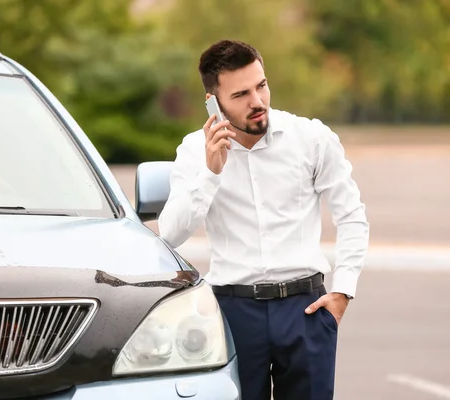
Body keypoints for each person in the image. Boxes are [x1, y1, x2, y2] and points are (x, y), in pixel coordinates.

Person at [158, 39, 370, 400]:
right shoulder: (194, 151)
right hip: (232, 312)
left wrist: (343, 291)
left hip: (305, 309)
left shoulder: (312, 138)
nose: (257, 101)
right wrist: (210, 173)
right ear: (214, 103)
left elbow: (351, 214)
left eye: (261, 86)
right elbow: (171, 234)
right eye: (241, 94)